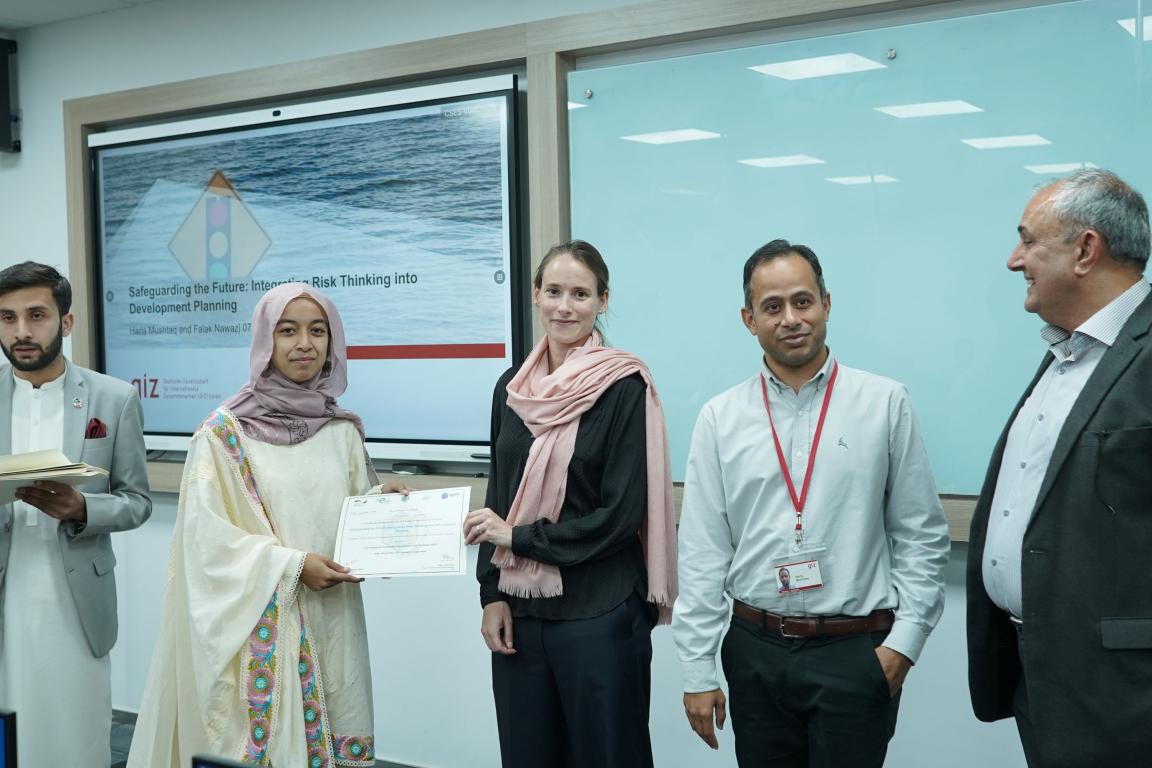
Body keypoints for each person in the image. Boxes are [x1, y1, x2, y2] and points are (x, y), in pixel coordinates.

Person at [672, 239, 949, 767]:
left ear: (826, 303)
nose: (790, 318)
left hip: (856, 649)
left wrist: (904, 645)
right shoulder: (720, 417)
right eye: (772, 307)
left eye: (803, 301)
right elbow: (704, 550)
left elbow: (921, 535)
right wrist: (698, 670)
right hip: (755, 649)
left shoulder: (884, 402)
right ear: (748, 319)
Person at [128, 283, 400, 768]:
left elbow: (352, 512)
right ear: (264, 342)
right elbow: (205, 545)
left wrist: (389, 510)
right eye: (287, 330)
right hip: (260, 629)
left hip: (333, 617)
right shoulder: (222, 434)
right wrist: (293, 567)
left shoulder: (341, 431)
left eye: (318, 331)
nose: (305, 344)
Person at [462, 239, 677, 768]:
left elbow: (620, 516)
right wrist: (491, 593)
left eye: (580, 294)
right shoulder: (510, 388)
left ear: (603, 301)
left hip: (599, 615)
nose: (565, 305)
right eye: (554, 291)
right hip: (521, 614)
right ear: (535, 295)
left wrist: (519, 538)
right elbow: (501, 494)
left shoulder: (623, 385)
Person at [967, 169, 1152, 767]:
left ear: (1085, 250)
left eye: (1028, 240)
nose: (1013, 260)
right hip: (1042, 673)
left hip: (1126, 696)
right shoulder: (1067, 355)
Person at [0, 261, 151, 768]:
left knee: (76, 729)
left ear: (66, 321)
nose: (21, 331)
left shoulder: (114, 398)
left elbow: (137, 501)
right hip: (7, 591)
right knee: (10, 729)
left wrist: (84, 507)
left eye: (36, 315)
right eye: (6, 317)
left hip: (76, 599)